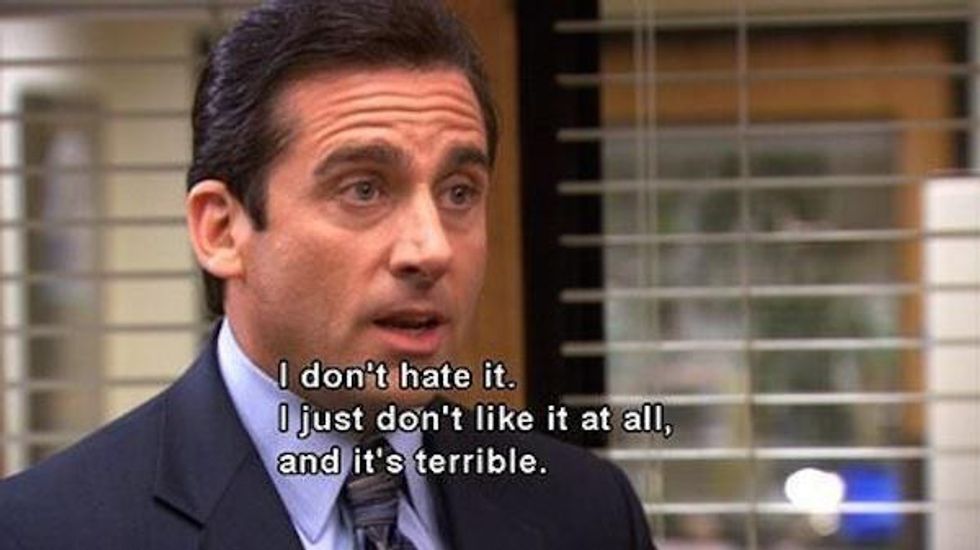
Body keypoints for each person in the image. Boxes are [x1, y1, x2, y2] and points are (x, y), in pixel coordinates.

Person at [0, 1, 654, 548]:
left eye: (458, 192)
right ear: (221, 231)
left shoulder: (585, 511)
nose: (430, 250)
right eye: (364, 189)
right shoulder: (43, 531)